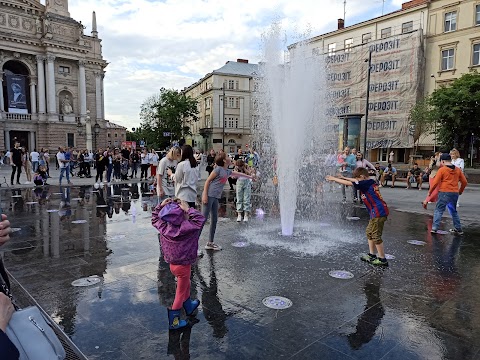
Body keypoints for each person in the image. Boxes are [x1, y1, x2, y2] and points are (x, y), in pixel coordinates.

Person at [151, 198, 205, 329]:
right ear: (183, 215)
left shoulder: (164, 227)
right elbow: (200, 218)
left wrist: (161, 206)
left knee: (187, 284)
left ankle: (189, 305)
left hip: (172, 264)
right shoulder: (188, 228)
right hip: (183, 266)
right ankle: (174, 322)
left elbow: (154, 218)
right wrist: (187, 208)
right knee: (180, 293)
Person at [326, 167, 390, 267]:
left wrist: (334, 179)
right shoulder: (368, 181)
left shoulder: (365, 183)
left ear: (362, 177)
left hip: (379, 212)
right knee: (369, 232)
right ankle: (372, 255)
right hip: (376, 213)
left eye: (358, 178)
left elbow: (351, 183)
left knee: (376, 235)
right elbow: (355, 181)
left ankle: (382, 259)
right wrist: (343, 177)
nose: (357, 180)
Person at [201, 153, 254, 251]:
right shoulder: (218, 170)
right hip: (209, 196)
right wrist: (204, 195)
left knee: (214, 220)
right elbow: (207, 181)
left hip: (216, 197)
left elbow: (238, 174)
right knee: (202, 221)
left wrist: (250, 177)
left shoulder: (227, 171)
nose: (230, 158)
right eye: (228, 157)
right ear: (225, 161)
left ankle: (210, 243)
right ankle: (193, 246)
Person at [429, 154, 467, 235]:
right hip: (454, 193)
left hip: (444, 192)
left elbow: (435, 183)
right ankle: (458, 228)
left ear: (442, 161)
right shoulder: (457, 170)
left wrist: (430, 192)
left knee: (439, 210)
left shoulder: (442, 170)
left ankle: (435, 228)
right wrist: (460, 191)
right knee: (453, 211)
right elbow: (464, 182)